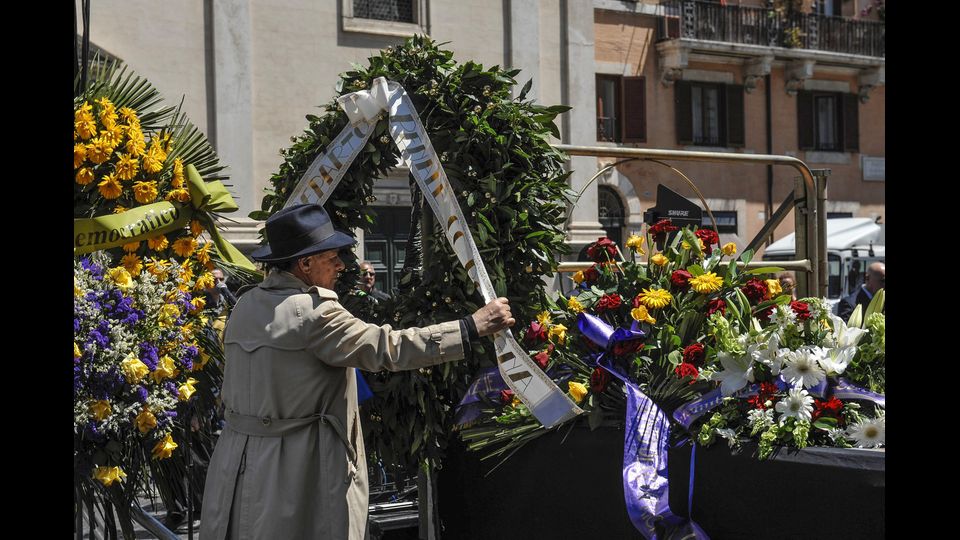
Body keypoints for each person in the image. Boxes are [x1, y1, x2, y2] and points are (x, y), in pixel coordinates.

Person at [200, 203, 515, 540]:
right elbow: (387, 347)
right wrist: (470, 327)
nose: (341, 265)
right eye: (331, 256)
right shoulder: (311, 312)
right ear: (305, 264)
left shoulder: (246, 303)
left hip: (239, 465)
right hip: (294, 471)